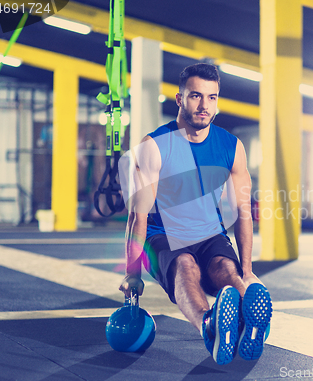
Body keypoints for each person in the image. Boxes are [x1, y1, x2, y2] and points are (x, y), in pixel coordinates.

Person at [118, 63, 272, 365]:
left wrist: (248, 270)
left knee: (227, 270)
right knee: (185, 265)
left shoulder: (232, 147)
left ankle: (248, 320)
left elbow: (243, 212)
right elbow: (139, 216)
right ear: (179, 99)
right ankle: (209, 324)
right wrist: (132, 272)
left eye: (212, 98)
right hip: (161, 234)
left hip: (208, 231)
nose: (204, 106)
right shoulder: (153, 146)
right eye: (196, 96)